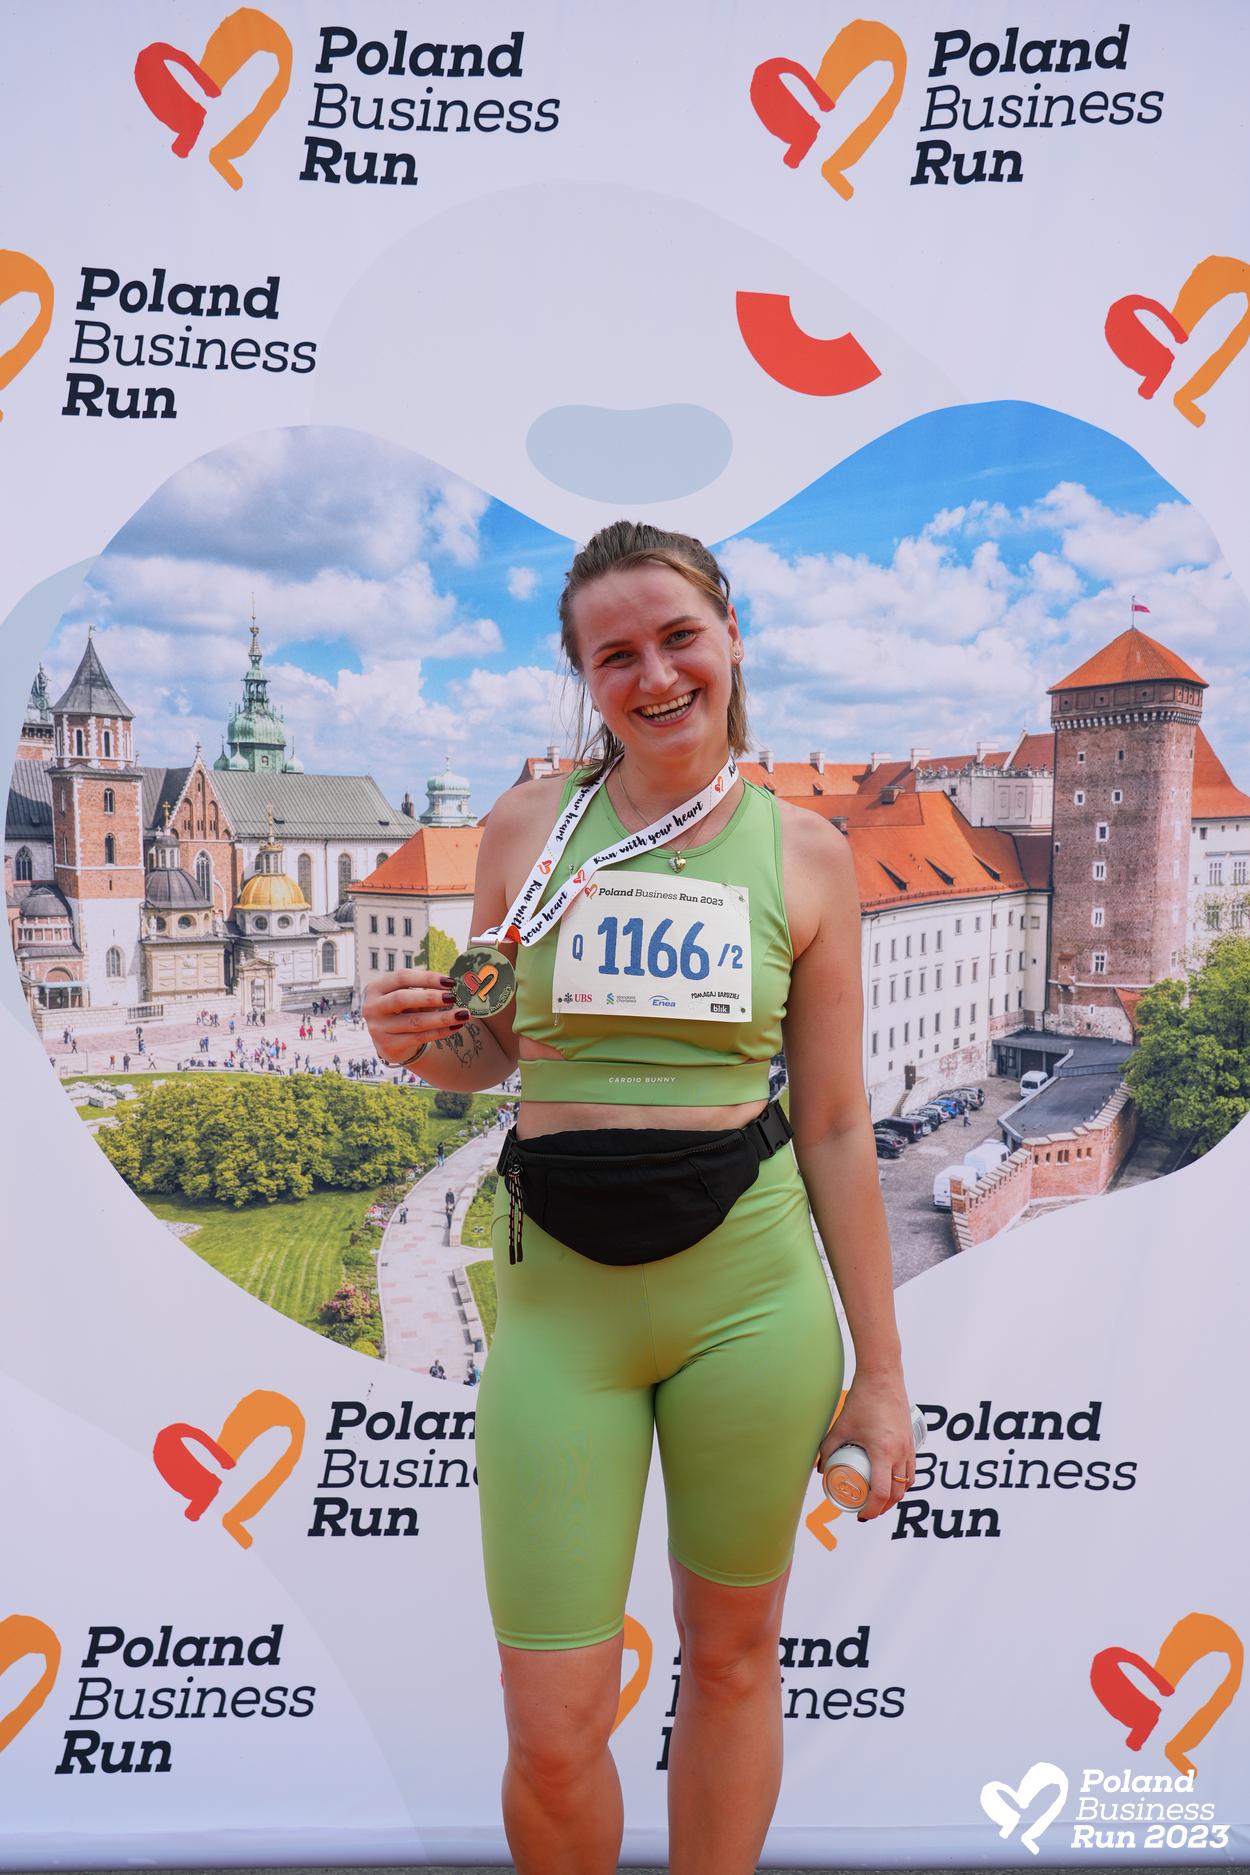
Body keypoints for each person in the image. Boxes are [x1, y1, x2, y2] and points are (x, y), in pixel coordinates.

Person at [363, 521, 913, 1875]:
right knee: (552, 1723)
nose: (655, 676)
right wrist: (415, 1044)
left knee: (730, 1662)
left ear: (730, 641)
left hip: (751, 1303)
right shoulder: (525, 828)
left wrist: (883, 1376)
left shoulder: (808, 854)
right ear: (584, 679)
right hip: (563, 1312)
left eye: (678, 639)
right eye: (616, 656)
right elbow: (488, 1051)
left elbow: (837, 1124)